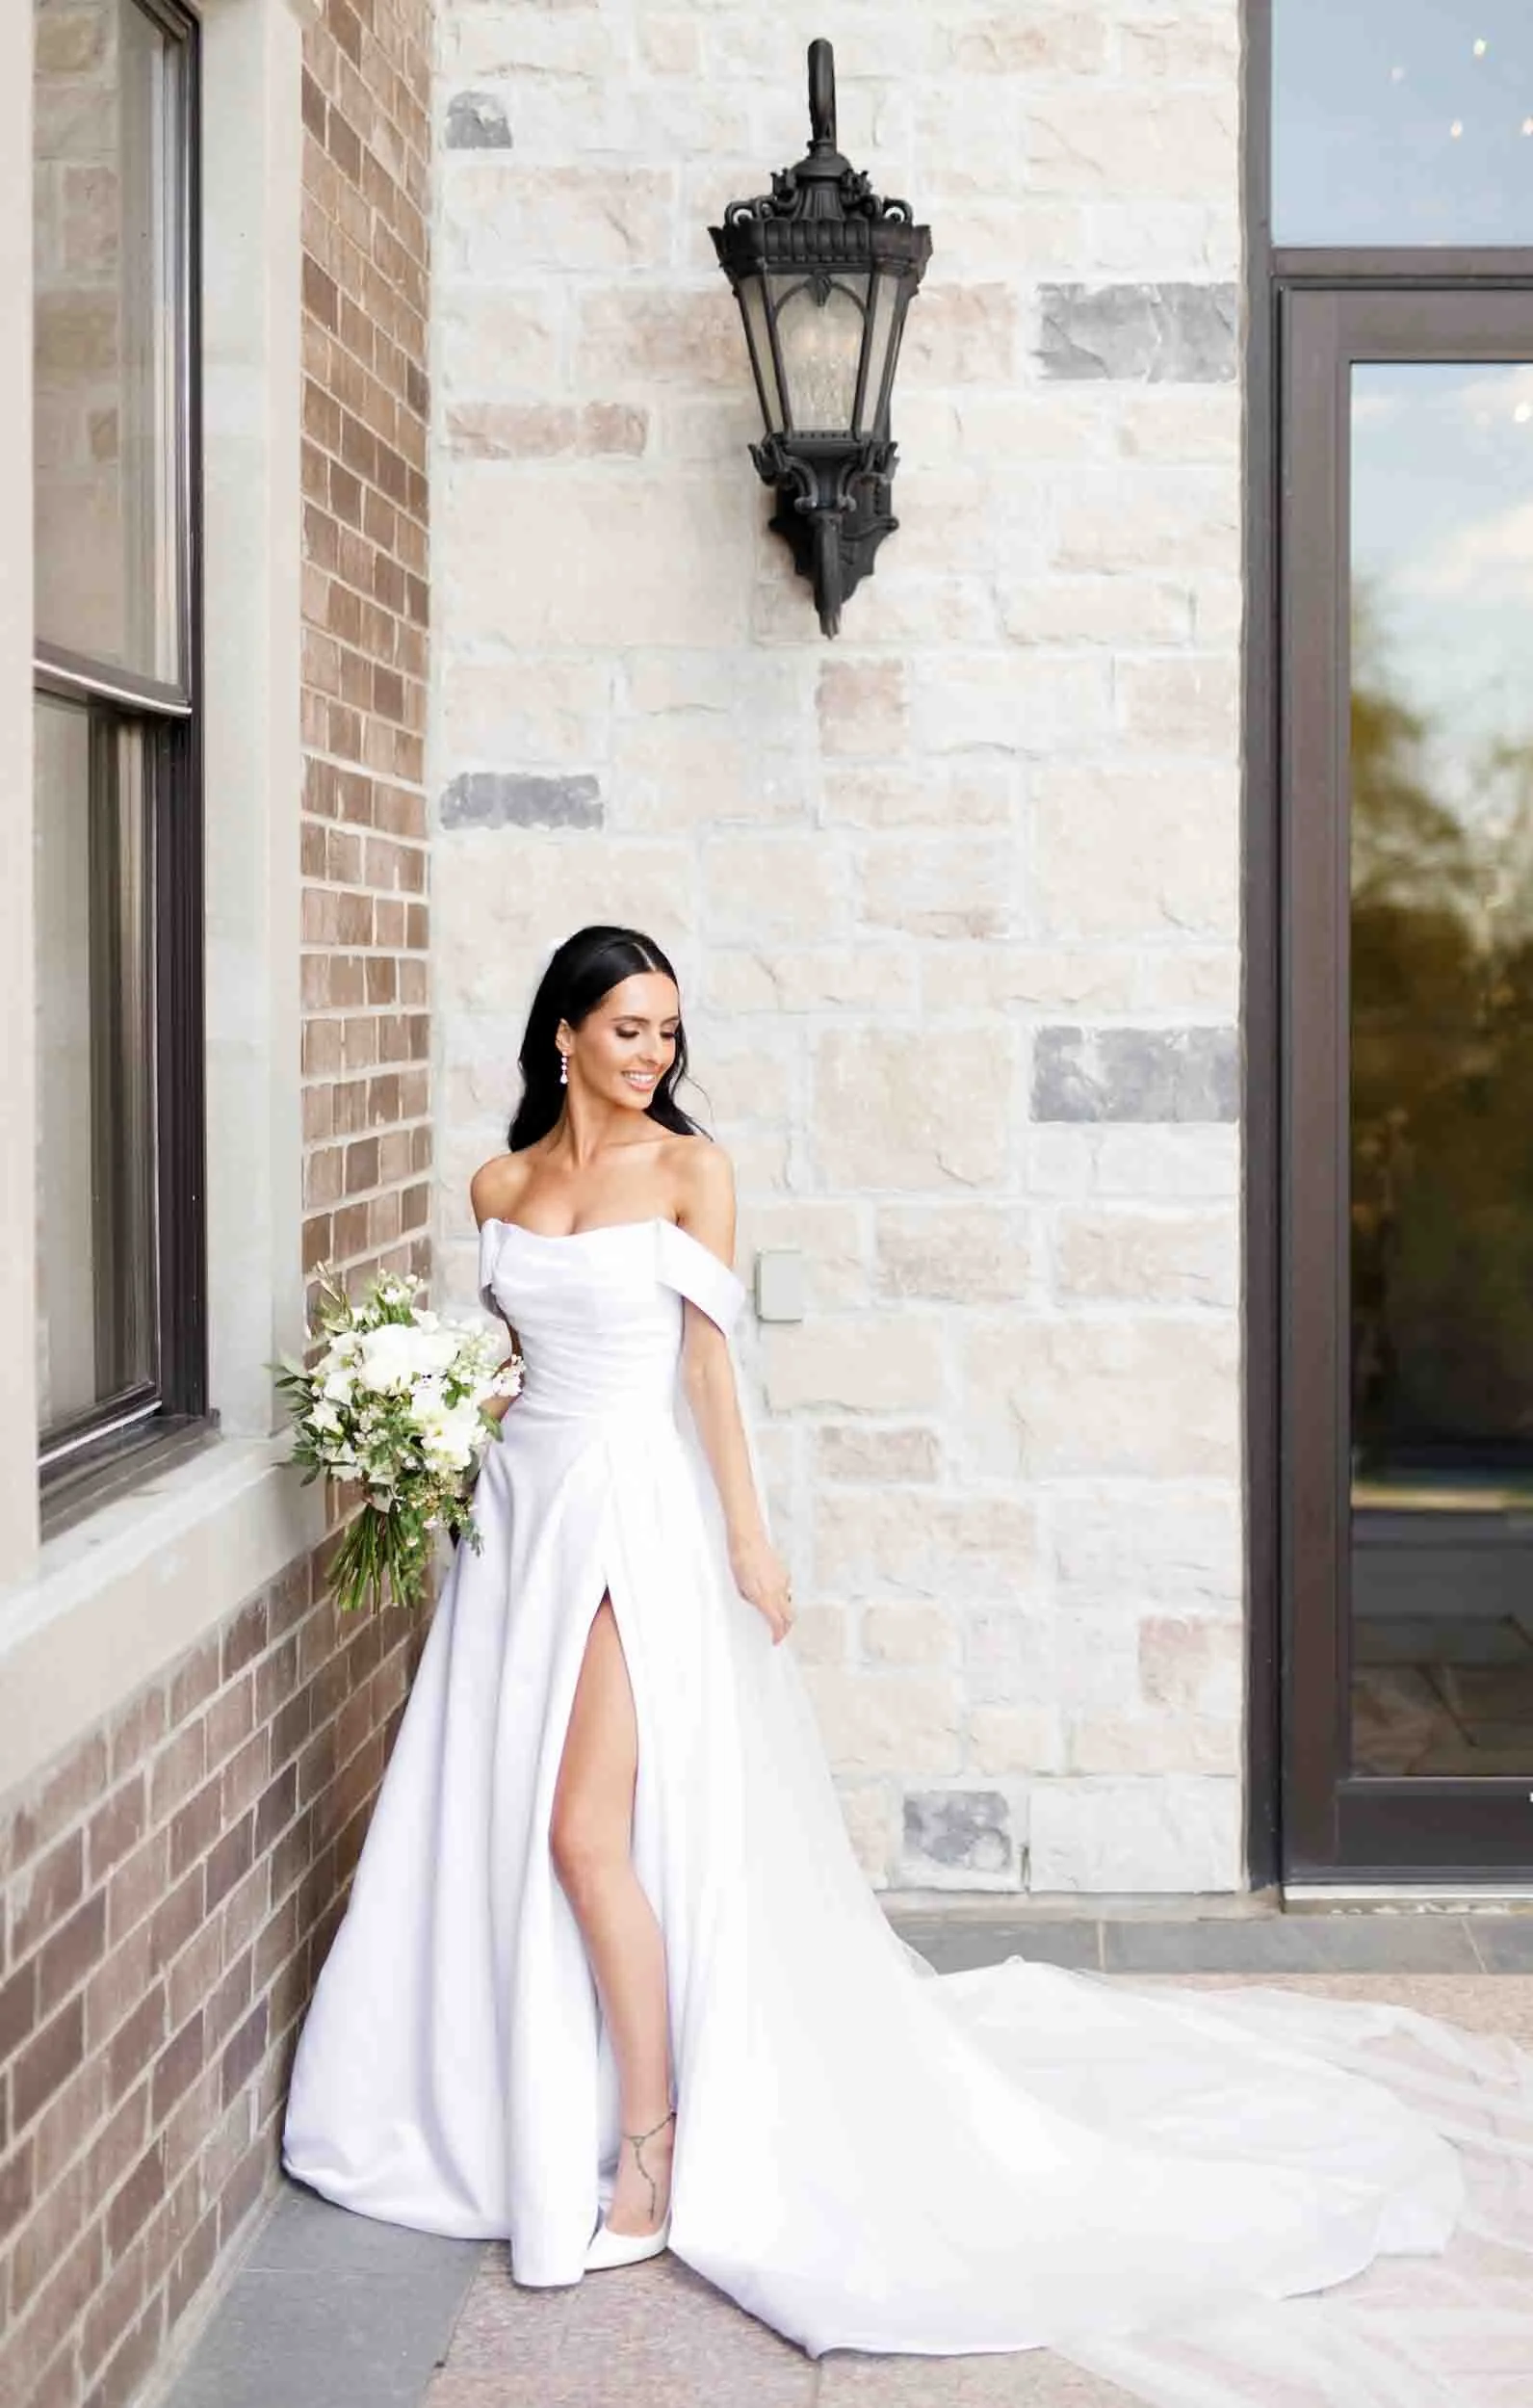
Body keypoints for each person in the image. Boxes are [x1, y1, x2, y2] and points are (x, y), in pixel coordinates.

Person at [283, 925, 1533, 2404]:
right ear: (561, 1036)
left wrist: (750, 1543)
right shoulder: (498, 1186)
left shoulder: (692, 1172)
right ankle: (527, 2095)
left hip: (635, 1524)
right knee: (507, 1820)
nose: (653, 1056)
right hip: (517, 1524)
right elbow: (512, 1365)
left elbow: (702, 1370)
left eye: (668, 1033)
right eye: (627, 1031)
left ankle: (653, 2140)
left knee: (581, 1835)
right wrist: (427, 1421)